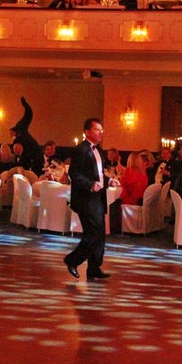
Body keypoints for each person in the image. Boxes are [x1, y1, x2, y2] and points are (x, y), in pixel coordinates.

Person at [64, 118, 112, 281]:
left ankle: (94, 268)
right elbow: (74, 174)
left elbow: (98, 174)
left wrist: (109, 181)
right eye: (97, 130)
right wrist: (90, 185)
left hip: (98, 197)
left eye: (101, 130)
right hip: (86, 199)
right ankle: (73, 260)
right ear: (87, 132)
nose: (101, 133)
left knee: (100, 234)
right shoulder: (81, 150)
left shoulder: (99, 150)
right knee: (93, 233)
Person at [10, 97, 44, 176]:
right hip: (31, 159)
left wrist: (25, 104)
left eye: (11, 132)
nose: (10, 135)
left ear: (15, 131)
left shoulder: (22, 131)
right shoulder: (19, 138)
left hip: (35, 159)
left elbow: (28, 115)